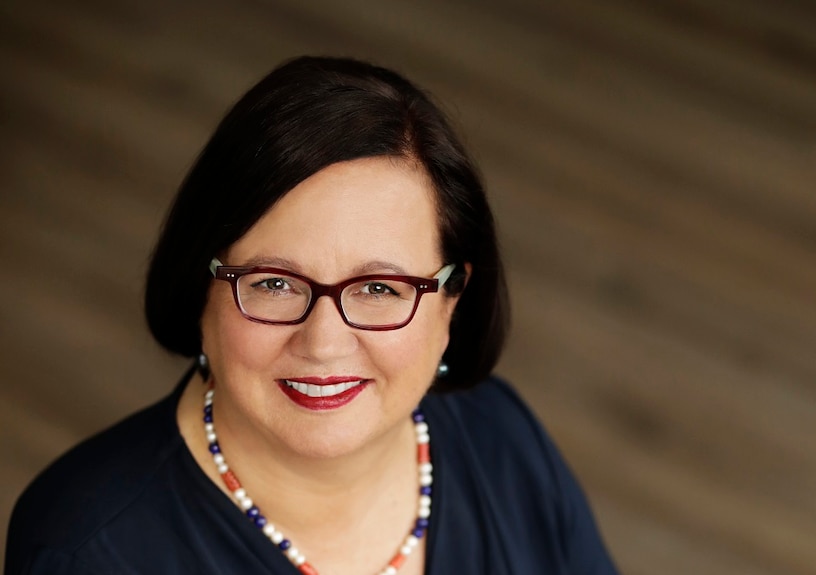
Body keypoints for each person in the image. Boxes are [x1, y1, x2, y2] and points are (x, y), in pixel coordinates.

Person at [6, 56, 618, 575]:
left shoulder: (503, 441)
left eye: (379, 288)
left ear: (452, 299)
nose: (324, 342)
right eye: (274, 283)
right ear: (202, 287)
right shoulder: (84, 546)